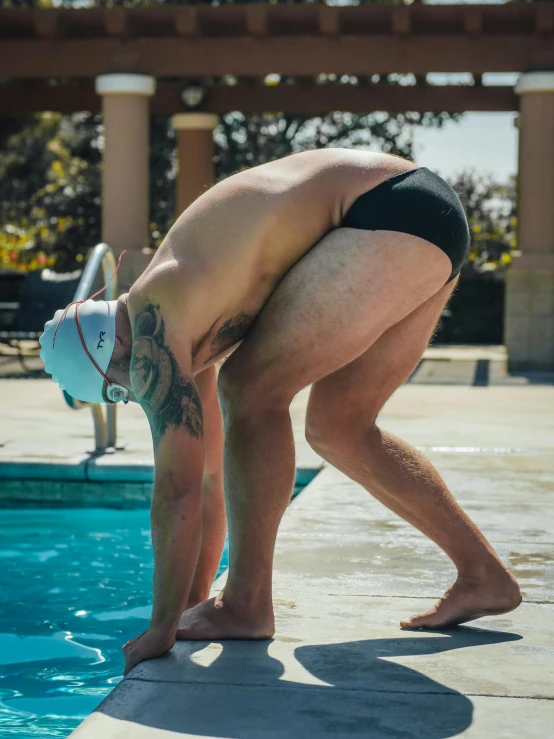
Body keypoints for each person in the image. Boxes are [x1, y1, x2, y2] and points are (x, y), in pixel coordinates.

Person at [40, 149, 521, 675]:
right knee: (340, 428)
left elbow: (173, 490)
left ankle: (247, 604)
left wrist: (160, 628)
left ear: (108, 353)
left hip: (382, 212)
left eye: (115, 391)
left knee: (249, 387)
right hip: (424, 213)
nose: (131, 398)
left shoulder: (155, 320)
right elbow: (206, 479)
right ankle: (483, 576)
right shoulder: (187, 325)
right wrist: (194, 601)